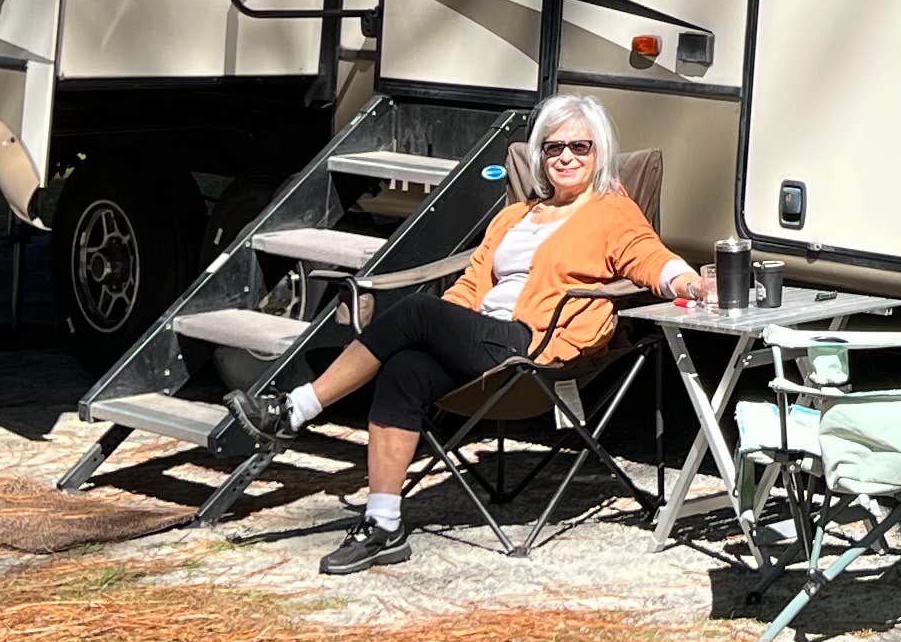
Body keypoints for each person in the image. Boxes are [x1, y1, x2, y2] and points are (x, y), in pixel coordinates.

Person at [211, 94, 701, 575]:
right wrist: (442, 332)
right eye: (554, 148)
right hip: (485, 343)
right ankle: (383, 525)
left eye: (580, 147)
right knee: (405, 369)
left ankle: (294, 410)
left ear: (601, 153)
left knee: (419, 312)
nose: (566, 157)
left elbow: (650, 258)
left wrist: (691, 283)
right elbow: (472, 284)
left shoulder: (611, 213)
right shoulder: (515, 215)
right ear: (540, 155)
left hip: (535, 349)